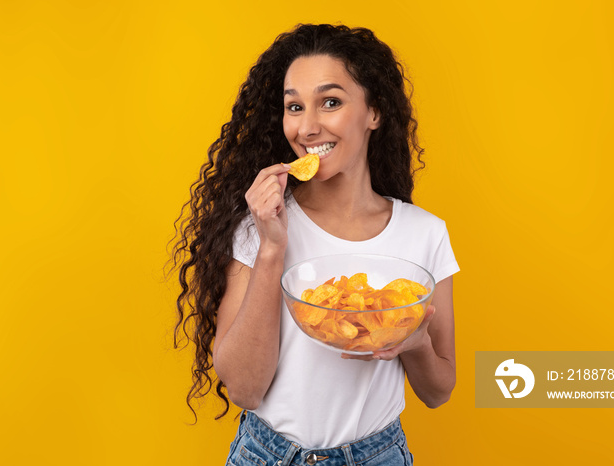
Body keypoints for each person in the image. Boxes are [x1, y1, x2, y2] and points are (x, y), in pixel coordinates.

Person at [171, 23, 459, 466]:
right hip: (267, 455)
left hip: (376, 456)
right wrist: (271, 247)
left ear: (374, 112)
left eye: (330, 102)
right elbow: (245, 390)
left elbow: (439, 392)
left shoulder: (425, 234)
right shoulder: (261, 224)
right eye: (293, 106)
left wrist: (415, 341)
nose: (307, 127)